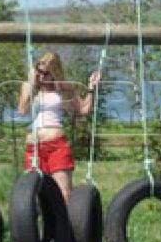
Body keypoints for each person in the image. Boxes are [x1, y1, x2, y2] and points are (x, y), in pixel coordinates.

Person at [17, 51, 101, 204]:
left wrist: (91, 88)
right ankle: (41, 227)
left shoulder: (62, 88)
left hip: (56, 145)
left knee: (64, 194)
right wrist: (31, 84)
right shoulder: (28, 86)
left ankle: (66, 227)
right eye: (39, 71)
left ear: (54, 72)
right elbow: (22, 110)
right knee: (36, 196)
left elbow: (82, 110)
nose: (42, 76)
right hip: (34, 147)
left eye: (46, 73)